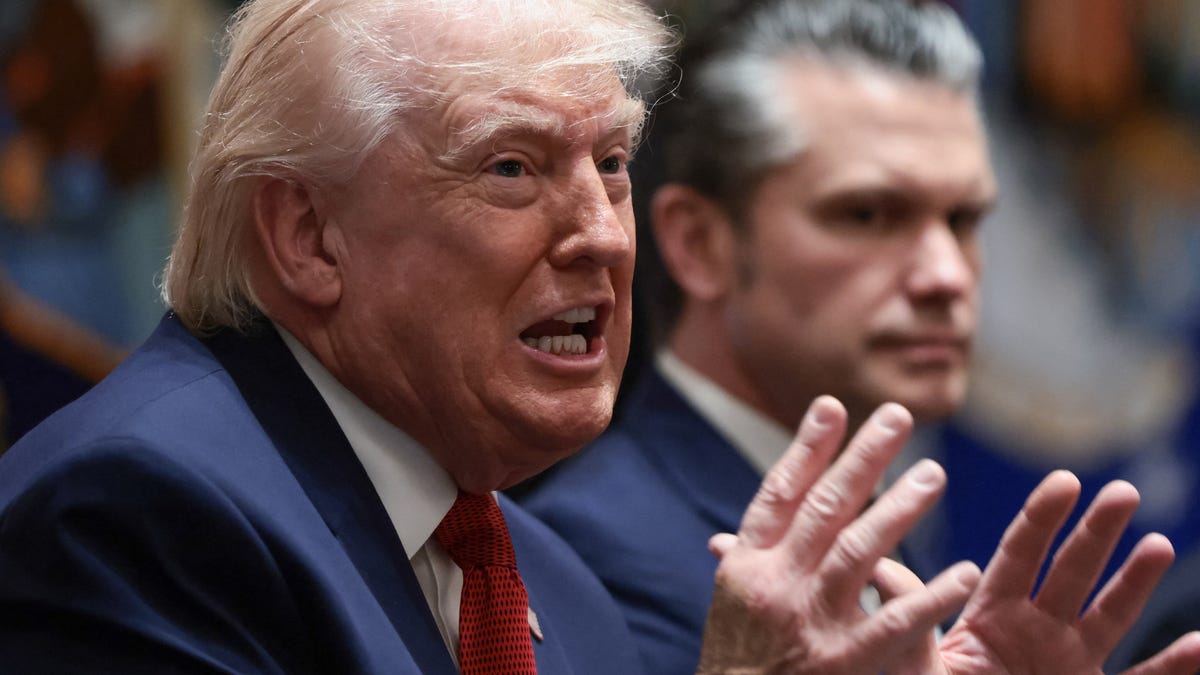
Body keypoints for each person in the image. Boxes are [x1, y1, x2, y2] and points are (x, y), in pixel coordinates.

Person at [0, 0, 1196, 673]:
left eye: (612, 165)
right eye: (512, 168)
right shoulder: (137, 511)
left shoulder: (549, 587)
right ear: (308, 236)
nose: (599, 236)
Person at [520, 0, 1200, 673]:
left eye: (964, 221)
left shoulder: (869, 517)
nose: (946, 275)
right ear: (699, 243)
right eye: (868, 214)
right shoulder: (591, 558)